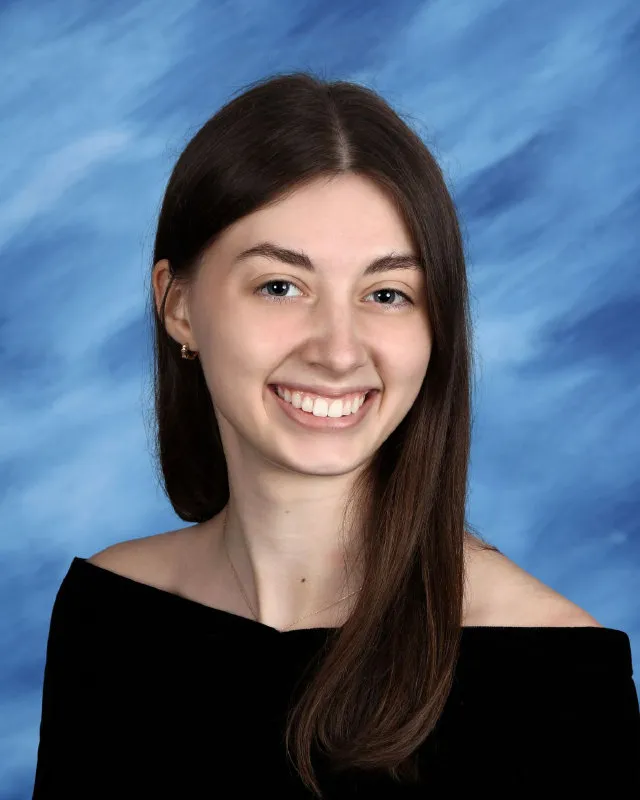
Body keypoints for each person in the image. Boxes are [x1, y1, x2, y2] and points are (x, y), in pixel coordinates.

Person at [32, 71, 639, 798]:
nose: (339, 350)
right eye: (280, 286)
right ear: (180, 307)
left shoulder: (555, 675)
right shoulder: (110, 616)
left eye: (386, 295)